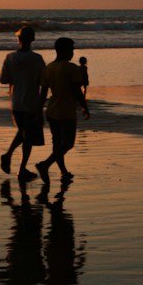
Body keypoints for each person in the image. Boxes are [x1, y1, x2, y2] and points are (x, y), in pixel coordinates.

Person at [36, 36, 90, 184]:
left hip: (52, 111)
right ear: (65, 50)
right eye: (71, 49)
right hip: (66, 112)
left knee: (57, 144)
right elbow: (77, 92)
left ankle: (63, 172)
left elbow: (42, 94)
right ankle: (44, 164)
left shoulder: (48, 68)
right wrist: (85, 108)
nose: (73, 52)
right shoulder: (71, 68)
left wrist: (39, 112)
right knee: (68, 144)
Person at [0, 25, 45, 181]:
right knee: (27, 135)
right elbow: (43, 81)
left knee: (25, 134)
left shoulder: (10, 57)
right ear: (32, 40)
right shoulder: (37, 59)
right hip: (31, 102)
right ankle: (11, 157)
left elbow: (3, 79)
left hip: (16, 101)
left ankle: (20, 166)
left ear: (18, 39)